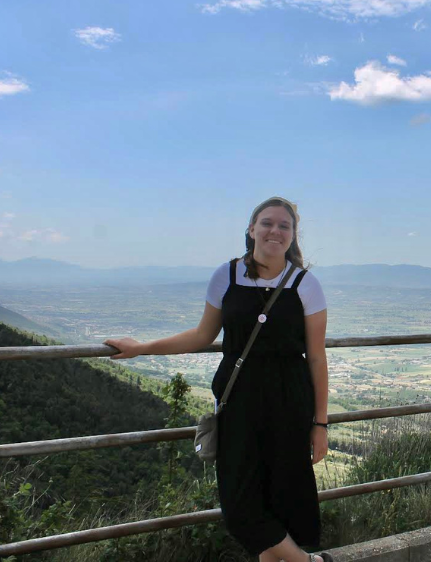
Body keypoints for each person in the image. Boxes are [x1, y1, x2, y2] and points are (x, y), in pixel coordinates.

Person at [105, 197, 333, 562]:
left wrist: (320, 423)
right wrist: (142, 347)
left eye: (284, 226)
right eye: (267, 222)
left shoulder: (307, 285)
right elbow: (201, 336)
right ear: (251, 229)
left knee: (279, 494)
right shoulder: (226, 276)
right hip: (237, 400)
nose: (275, 230)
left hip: (289, 402)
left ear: (292, 236)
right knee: (238, 502)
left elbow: (317, 357)